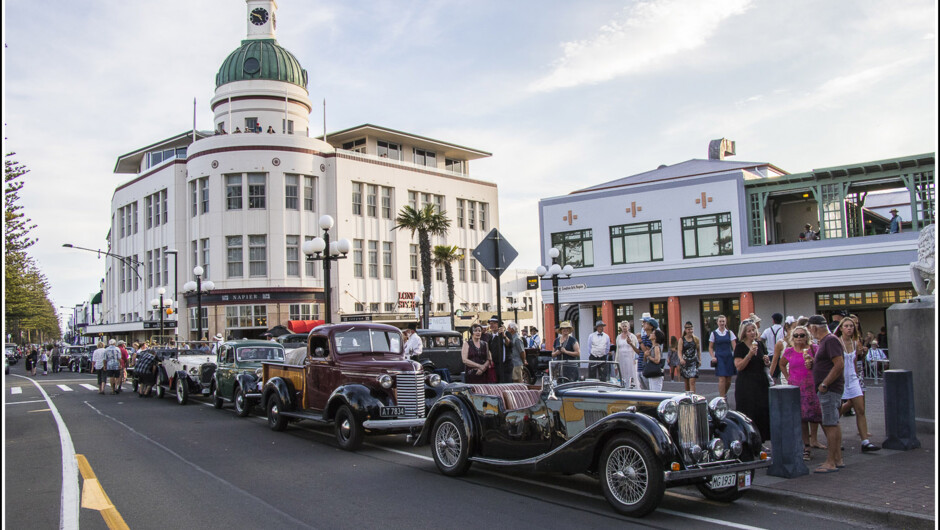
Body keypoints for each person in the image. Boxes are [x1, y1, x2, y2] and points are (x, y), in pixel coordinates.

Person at [779, 325, 825, 461]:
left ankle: (831, 443)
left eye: (802, 335)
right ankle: (806, 447)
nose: (799, 338)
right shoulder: (789, 351)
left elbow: (822, 364)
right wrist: (788, 377)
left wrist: (813, 362)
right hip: (796, 387)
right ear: (792, 338)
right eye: (796, 335)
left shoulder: (813, 349)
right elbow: (781, 364)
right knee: (802, 418)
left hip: (811, 386)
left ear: (807, 337)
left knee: (818, 415)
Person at [836, 317, 880, 453]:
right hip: (841, 379)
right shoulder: (837, 342)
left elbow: (855, 361)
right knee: (838, 409)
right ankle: (835, 439)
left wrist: (856, 376)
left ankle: (865, 441)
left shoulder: (856, 343)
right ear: (841, 328)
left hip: (853, 379)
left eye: (851, 326)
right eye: (846, 326)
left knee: (860, 409)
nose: (849, 328)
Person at [808, 314, 845, 473]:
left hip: (830, 389)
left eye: (810, 329)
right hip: (829, 389)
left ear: (814, 327)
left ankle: (831, 462)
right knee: (833, 423)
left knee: (830, 424)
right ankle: (837, 458)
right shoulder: (826, 341)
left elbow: (839, 364)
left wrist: (825, 383)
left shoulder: (830, 341)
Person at [733, 320, 771, 443]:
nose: (752, 333)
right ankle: (748, 441)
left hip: (760, 382)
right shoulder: (740, 347)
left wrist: (766, 361)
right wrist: (749, 355)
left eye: (753, 330)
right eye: (749, 331)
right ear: (744, 333)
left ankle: (761, 441)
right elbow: (739, 367)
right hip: (746, 384)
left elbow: (764, 362)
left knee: (762, 412)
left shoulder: (760, 344)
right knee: (748, 412)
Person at [709, 315, 737, 398]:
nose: (722, 323)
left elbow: (734, 346)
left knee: (728, 380)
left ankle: (724, 393)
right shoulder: (713, 333)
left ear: (726, 322)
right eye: (720, 321)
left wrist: (736, 356)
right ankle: (722, 398)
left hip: (728, 357)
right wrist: (713, 356)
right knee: (722, 378)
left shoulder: (729, 332)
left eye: (723, 321)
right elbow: (710, 347)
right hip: (719, 357)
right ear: (717, 322)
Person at [484, 316, 511, 383]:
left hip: (505, 365)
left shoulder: (506, 334)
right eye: (490, 323)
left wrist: (504, 336)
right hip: (495, 365)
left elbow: (509, 344)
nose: (492, 325)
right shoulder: (490, 336)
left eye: (494, 323)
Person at [763, 313, 787, 384]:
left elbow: (761, 339)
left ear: (773, 320)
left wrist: (765, 348)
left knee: (773, 375)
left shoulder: (767, 330)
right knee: (782, 373)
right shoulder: (783, 330)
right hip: (781, 355)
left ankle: (774, 388)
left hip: (771, 354)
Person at [615, 321, 640, 389]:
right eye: (623, 326)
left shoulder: (633, 336)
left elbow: (636, 347)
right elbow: (617, 350)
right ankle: (623, 387)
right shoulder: (618, 337)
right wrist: (616, 362)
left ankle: (632, 387)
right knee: (622, 373)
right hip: (621, 358)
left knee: (631, 373)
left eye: (625, 326)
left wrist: (635, 358)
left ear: (628, 327)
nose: (624, 328)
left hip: (630, 358)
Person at [637, 316, 658, 390]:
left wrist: (640, 340)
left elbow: (646, 351)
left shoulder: (652, 337)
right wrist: (631, 344)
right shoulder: (644, 337)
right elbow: (639, 352)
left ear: (651, 326)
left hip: (647, 367)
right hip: (640, 365)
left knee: (649, 389)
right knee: (643, 390)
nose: (643, 324)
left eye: (645, 323)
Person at [679, 322, 701, 393]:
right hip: (685, 362)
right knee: (686, 383)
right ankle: (687, 397)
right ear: (685, 330)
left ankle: (692, 398)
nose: (690, 331)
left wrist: (699, 359)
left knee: (692, 381)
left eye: (691, 329)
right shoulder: (682, 340)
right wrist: (681, 359)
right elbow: (679, 351)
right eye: (688, 329)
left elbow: (698, 350)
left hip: (693, 362)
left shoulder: (695, 339)